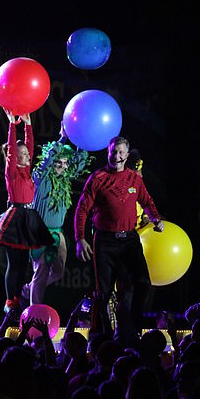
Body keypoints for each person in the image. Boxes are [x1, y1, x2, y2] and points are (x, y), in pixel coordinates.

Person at [74, 136, 164, 335]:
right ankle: (100, 335)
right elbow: (82, 209)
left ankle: (134, 330)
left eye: (121, 152)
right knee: (103, 293)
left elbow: (147, 201)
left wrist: (156, 219)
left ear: (127, 154)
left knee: (142, 283)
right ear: (108, 152)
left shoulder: (134, 178)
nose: (117, 156)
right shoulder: (98, 178)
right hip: (105, 242)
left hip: (129, 241)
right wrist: (80, 239)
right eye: (114, 152)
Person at [0, 110, 53, 314]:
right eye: (22, 155)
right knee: (13, 263)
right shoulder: (12, 172)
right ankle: (10, 302)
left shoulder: (26, 172)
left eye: (27, 154)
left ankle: (17, 297)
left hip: (29, 218)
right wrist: (12, 125)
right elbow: (11, 152)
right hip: (15, 218)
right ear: (15, 158)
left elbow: (31, 146)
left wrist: (28, 124)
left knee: (24, 264)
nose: (26, 156)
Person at [22, 122, 90, 306]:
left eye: (65, 163)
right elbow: (48, 160)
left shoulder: (65, 180)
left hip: (57, 234)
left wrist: (82, 141)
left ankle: (30, 287)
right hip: (40, 233)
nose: (61, 166)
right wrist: (63, 138)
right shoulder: (40, 177)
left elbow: (79, 164)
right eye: (58, 162)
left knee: (58, 272)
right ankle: (33, 311)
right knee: (41, 272)